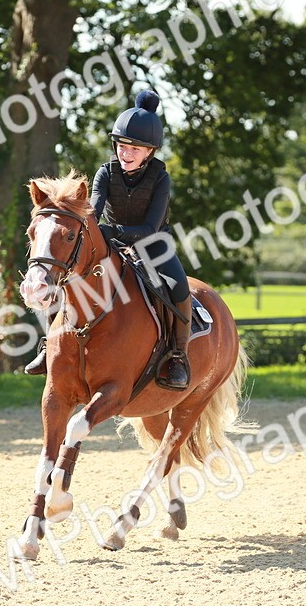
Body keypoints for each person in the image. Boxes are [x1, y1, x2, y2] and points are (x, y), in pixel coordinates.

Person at [25, 89, 192, 390]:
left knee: (177, 287)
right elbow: (93, 212)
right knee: (64, 276)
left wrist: (110, 232)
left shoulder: (160, 178)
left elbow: (151, 227)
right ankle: (48, 346)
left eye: (135, 149)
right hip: (111, 243)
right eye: (122, 146)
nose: (126, 154)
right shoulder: (105, 173)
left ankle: (177, 356)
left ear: (150, 151)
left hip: (153, 244)